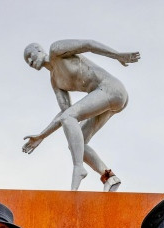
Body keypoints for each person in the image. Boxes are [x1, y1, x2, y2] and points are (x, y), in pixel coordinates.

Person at [21, 40, 140, 191]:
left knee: (69, 119)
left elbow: (88, 45)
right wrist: (41, 136)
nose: (30, 62)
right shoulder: (55, 81)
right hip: (106, 97)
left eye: (30, 56)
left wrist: (117, 56)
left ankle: (79, 168)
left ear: (39, 50)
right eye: (27, 62)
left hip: (111, 88)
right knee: (76, 144)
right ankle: (109, 177)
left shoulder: (56, 51)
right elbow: (65, 115)